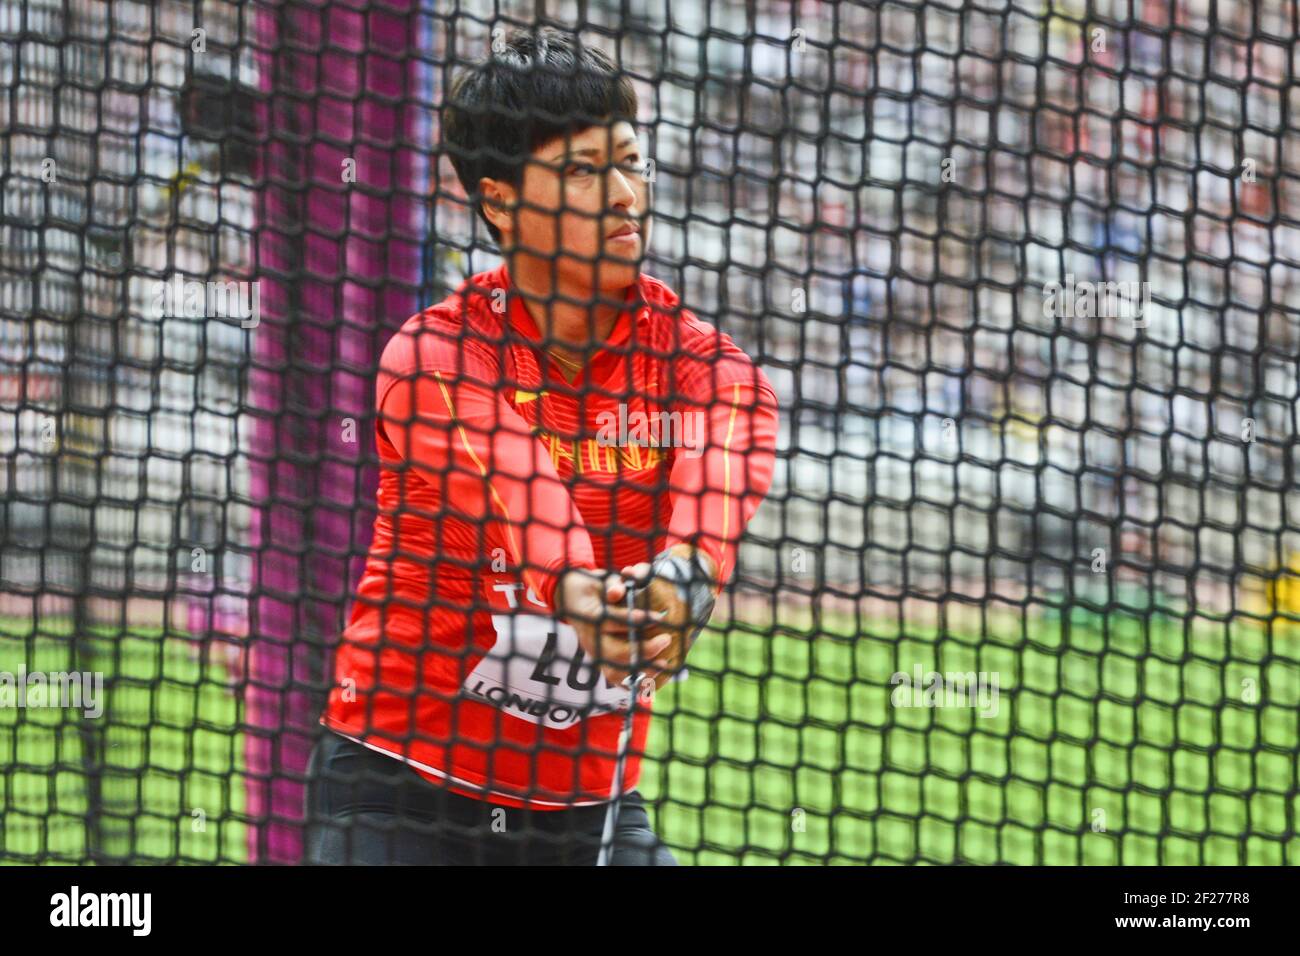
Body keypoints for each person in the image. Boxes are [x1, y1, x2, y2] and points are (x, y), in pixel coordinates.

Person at [305, 26, 779, 865]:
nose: (625, 194)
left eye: (630, 163)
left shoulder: (704, 366)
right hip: (399, 783)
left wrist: (683, 580)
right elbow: (520, 489)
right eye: (583, 172)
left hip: (584, 807)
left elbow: (720, 480)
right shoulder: (434, 355)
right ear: (500, 201)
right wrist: (581, 593)